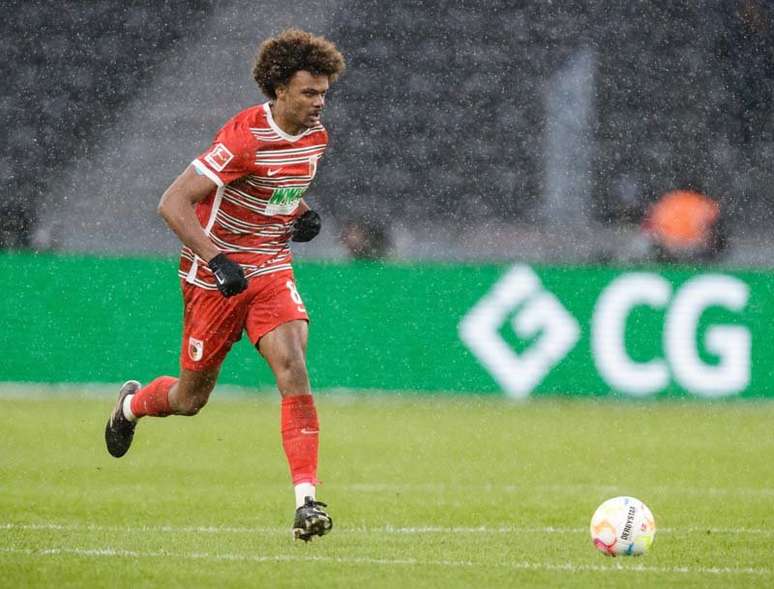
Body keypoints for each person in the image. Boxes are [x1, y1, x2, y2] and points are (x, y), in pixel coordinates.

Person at [104, 29, 345, 542]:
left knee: (293, 365)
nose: (319, 103)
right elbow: (173, 202)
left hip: (269, 268)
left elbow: (277, 193)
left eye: (324, 93)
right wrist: (217, 260)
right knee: (190, 399)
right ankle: (130, 406)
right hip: (214, 279)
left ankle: (307, 502)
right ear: (278, 89)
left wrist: (300, 215)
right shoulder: (242, 138)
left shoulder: (316, 138)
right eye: (309, 93)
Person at [640, 186, 728, 263]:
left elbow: (654, 224)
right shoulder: (701, 202)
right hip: (694, 247)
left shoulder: (669, 200)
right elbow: (712, 223)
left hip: (669, 246)